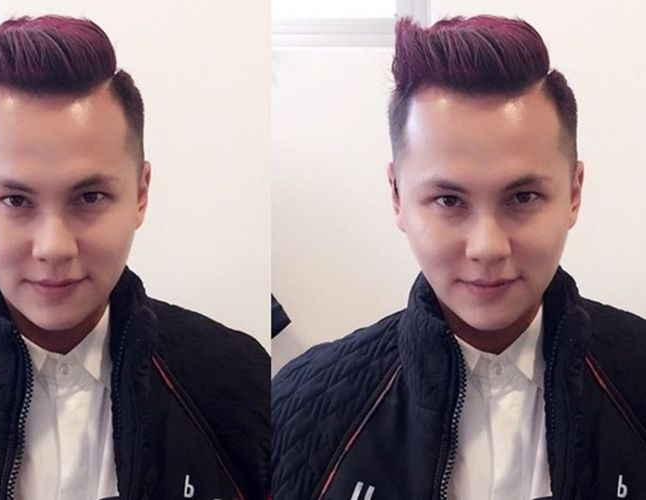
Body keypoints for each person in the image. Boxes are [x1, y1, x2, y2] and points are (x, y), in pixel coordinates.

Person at [272, 15, 646, 500]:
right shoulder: (297, 409)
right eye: (448, 200)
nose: (487, 247)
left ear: (574, 194)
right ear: (397, 196)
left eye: (523, 197)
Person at [0, 16, 269, 500]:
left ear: (140, 193)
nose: (54, 247)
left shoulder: (242, 383)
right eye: (15, 200)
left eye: (90, 197)